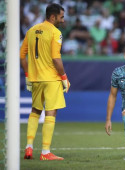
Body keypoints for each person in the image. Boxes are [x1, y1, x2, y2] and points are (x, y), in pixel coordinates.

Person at [20, 3, 70, 161]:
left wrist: (28, 75)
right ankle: (45, 152)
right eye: (61, 17)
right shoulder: (55, 32)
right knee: (51, 112)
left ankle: (28, 147)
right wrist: (64, 78)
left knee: (35, 111)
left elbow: (22, 56)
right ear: (53, 16)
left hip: (35, 79)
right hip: (51, 78)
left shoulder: (31, 30)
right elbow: (56, 58)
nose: (63, 20)